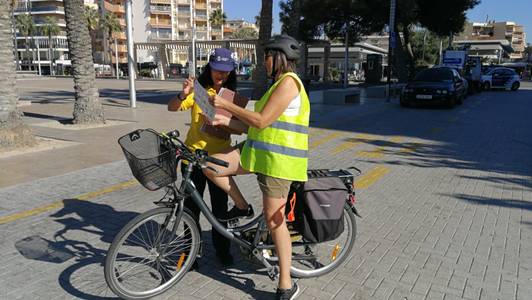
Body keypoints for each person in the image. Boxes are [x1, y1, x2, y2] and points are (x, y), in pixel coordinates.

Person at [203, 35, 309, 300]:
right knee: (211, 166)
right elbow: (252, 127)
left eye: (267, 57)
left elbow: (260, 120)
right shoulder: (275, 86)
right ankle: (241, 207)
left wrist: (225, 104)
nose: (264, 62)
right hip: (257, 154)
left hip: (279, 161)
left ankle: (286, 284)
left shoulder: (289, 84)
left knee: (275, 220)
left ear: (279, 58)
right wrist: (223, 123)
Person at [167, 48, 239, 266]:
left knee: (220, 209)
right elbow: (172, 108)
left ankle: (222, 250)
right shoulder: (198, 91)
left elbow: (238, 129)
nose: (221, 75)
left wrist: (223, 125)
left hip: (219, 161)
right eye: (218, 70)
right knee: (190, 211)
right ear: (210, 68)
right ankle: (191, 254)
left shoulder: (231, 96)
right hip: (193, 160)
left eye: (226, 72)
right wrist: (183, 93)